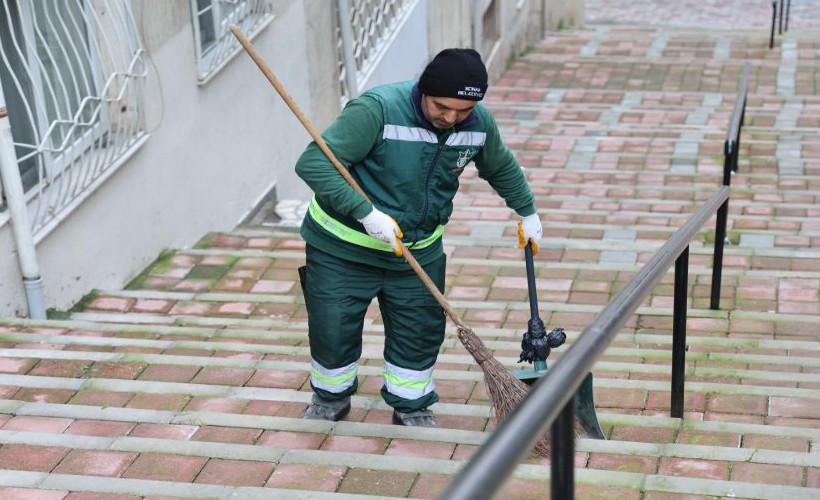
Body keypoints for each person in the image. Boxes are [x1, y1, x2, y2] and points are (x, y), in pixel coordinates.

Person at [295, 48, 542, 427]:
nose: (451, 118)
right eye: (442, 106)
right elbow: (314, 163)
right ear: (424, 90)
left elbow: (500, 165)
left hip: (417, 252)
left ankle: (410, 403)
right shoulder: (377, 110)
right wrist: (366, 212)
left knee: (419, 330)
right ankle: (331, 397)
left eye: (462, 110)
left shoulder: (477, 123)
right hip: (342, 249)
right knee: (333, 326)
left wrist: (526, 210)